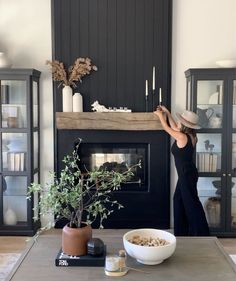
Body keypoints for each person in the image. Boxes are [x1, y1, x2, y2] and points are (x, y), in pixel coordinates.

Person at [154, 105, 209, 236]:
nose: (178, 122)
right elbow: (174, 127)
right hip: (188, 173)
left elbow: (168, 128)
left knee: (191, 203)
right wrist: (167, 113)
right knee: (178, 200)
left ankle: (201, 234)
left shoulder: (182, 137)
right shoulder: (190, 135)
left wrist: (160, 116)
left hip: (186, 174)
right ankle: (181, 232)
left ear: (184, 124)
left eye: (180, 120)